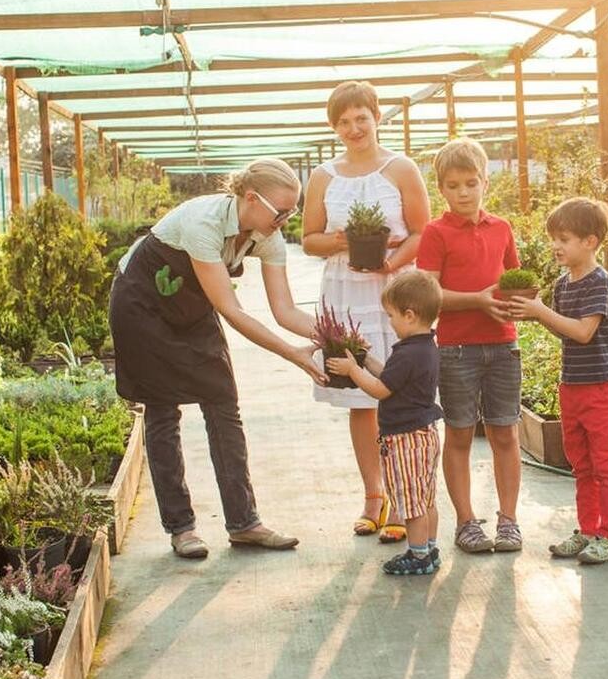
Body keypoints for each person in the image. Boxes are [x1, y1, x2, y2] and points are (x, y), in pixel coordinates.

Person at [109, 159, 325, 560]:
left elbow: (285, 311)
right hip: (143, 304)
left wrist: (334, 335)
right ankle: (182, 528)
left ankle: (244, 523)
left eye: (291, 211)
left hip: (192, 306)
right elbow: (232, 310)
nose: (286, 219)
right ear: (250, 198)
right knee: (162, 412)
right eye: (280, 211)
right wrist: (294, 355)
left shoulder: (267, 236)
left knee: (223, 404)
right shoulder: (203, 224)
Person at [302, 80, 431, 543]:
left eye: (361, 117)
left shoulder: (401, 168)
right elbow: (308, 238)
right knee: (360, 397)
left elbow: (421, 230)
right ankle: (373, 496)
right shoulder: (322, 176)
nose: (354, 128)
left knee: (395, 393)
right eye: (343, 121)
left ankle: (402, 496)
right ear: (334, 127)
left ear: (377, 117)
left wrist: (390, 263)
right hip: (344, 293)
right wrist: (340, 241)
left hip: (394, 293)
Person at [416, 138, 524, 554]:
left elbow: (516, 280)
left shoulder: (502, 229)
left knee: (505, 433)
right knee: (459, 435)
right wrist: (479, 299)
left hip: (503, 345)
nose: (463, 192)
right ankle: (466, 521)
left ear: (485, 183)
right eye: (454, 185)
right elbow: (428, 295)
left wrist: (521, 303)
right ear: (441, 189)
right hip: (456, 349)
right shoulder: (436, 232)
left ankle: (509, 520)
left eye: (471, 183)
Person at [509, 198, 608, 565]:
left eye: (564, 239)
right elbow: (565, 332)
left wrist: (540, 311)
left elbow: (583, 332)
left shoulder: (598, 283)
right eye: (554, 239)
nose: (556, 246)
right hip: (572, 385)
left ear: (590, 242)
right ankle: (588, 529)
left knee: (604, 462)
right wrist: (532, 313)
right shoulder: (564, 285)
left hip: (602, 386)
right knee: (580, 463)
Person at [327, 271, 443, 575]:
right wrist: (364, 360)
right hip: (424, 435)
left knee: (411, 499)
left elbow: (380, 389)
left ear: (409, 315)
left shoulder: (408, 353)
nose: (389, 322)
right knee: (426, 496)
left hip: (405, 438)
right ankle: (430, 549)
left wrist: (353, 371)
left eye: (391, 316)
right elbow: (390, 377)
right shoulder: (424, 347)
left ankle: (417, 555)